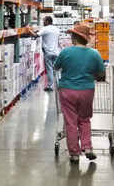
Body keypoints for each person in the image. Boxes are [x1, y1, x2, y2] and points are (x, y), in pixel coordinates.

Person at [54, 23, 106, 164]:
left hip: (67, 90)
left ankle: (74, 154)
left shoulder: (65, 52)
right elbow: (101, 72)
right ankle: (87, 147)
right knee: (84, 119)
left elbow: (56, 66)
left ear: (74, 37)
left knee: (71, 122)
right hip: (86, 90)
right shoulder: (94, 54)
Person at [30, 16, 61, 91]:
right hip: (56, 52)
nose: (43, 22)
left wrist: (29, 30)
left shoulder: (45, 29)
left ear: (47, 21)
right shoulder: (56, 29)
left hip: (48, 52)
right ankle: (59, 84)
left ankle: (50, 86)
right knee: (56, 69)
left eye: (44, 21)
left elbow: (35, 35)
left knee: (49, 69)